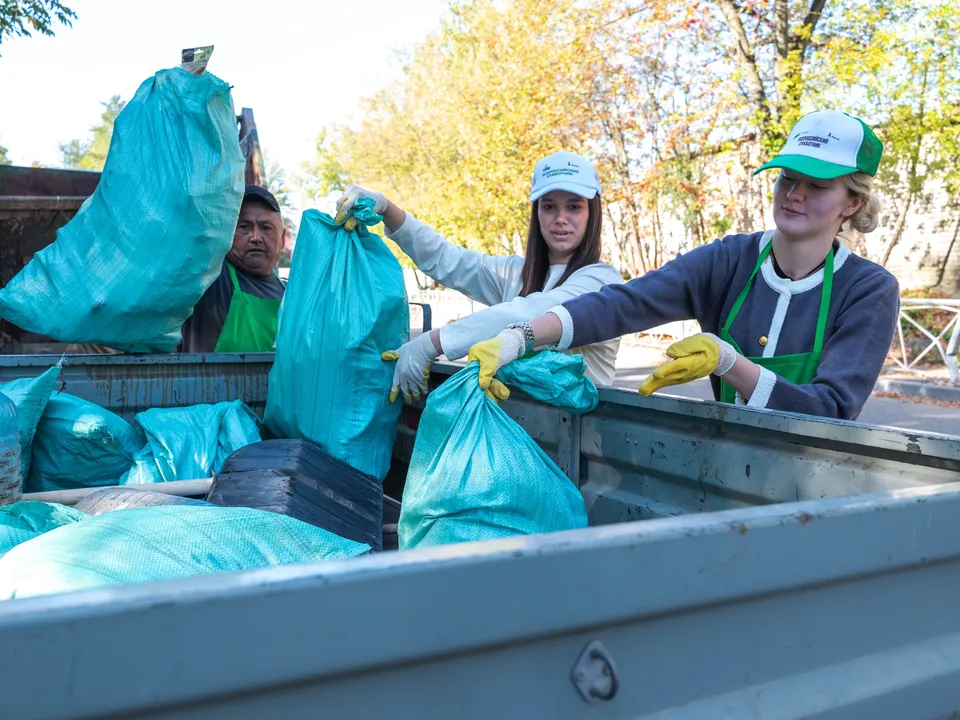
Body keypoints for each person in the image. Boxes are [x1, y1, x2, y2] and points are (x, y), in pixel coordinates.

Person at [467, 110, 900, 421]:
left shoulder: (868, 290)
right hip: (729, 463)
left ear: (854, 202)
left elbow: (832, 408)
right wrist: (521, 337)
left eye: (817, 185)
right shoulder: (729, 261)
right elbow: (624, 304)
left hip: (815, 487)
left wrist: (729, 363)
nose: (794, 194)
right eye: (787, 178)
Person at [334, 151, 624, 403]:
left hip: (582, 444)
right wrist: (387, 209)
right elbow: (448, 259)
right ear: (536, 213)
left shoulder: (602, 281)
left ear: (592, 213)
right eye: (549, 206)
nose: (560, 217)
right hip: (520, 436)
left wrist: (429, 343)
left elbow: (533, 311)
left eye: (574, 206)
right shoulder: (516, 273)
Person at [179, 185, 286, 353]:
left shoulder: (290, 295)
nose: (256, 237)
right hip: (208, 380)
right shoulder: (210, 277)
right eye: (244, 226)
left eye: (266, 227)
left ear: (283, 238)